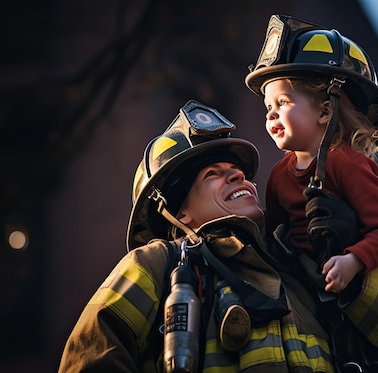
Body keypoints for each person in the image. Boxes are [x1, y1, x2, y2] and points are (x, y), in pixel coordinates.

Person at [58, 99, 358, 372]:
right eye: (211, 174)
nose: (238, 175)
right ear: (179, 213)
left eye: (236, 169)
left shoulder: (296, 268)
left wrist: (354, 247)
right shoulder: (156, 264)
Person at [244, 15, 378, 295]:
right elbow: (271, 239)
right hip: (300, 289)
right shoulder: (278, 176)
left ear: (325, 111)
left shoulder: (348, 164)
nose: (271, 113)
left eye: (283, 102)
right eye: (267, 107)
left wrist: (353, 261)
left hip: (348, 290)